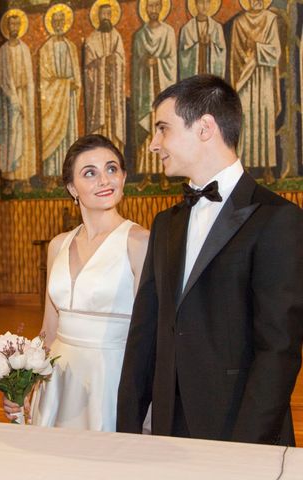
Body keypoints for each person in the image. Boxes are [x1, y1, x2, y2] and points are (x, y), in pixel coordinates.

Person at [117, 74, 303, 445]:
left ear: (204, 127)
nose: (154, 144)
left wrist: (242, 449)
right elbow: (145, 334)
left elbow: (278, 349)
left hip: (239, 426)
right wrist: (127, 430)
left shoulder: (278, 218)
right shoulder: (166, 223)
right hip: (170, 427)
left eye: (163, 129)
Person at [4, 134, 149, 430]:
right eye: (90, 173)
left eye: (112, 169)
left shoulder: (140, 242)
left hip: (110, 378)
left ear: (123, 177)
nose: (104, 180)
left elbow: (149, 335)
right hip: (58, 377)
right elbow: (48, 329)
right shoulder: (58, 245)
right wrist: (23, 385)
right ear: (72, 188)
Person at [230, 0, 281, 185]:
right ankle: (246, 170)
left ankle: (268, 169)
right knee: (247, 121)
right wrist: (246, 59)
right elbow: (235, 55)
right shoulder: (239, 23)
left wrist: (257, 48)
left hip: (264, 77)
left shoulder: (270, 20)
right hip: (245, 78)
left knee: (265, 119)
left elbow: (275, 52)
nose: (256, 1)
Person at [131, 0, 176, 191]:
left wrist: (156, 62)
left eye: (157, 6)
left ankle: (164, 175)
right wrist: (143, 64)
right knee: (147, 132)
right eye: (150, 6)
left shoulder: (168, 32)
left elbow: (172, 60)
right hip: (145, 91)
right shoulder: (140, 35)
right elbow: (135, 63)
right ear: (145, 9)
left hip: (161, 86)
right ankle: (147, 175)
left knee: (163, 132)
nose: (153, 10)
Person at [39, 4, 81, 177]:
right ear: (50, 23)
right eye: (55, 21)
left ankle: (68, 176)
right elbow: (45, 79)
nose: (58, 24)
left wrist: (73, 85)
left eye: (60, 21)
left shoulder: (71, 46)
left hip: (68, 100)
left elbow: (76, 75)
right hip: (53, 102)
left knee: (68, 136)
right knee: (53, 136)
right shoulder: (45, 48)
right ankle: (51, 177)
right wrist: (64, 84)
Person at [0, 9, 36, 181]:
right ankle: (10, 176)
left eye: (17, 24)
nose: (14, 27)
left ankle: (25, 176)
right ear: (7, 27)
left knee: (25, 135)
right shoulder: (2, 52)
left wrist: (28, 99)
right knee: (10, 135)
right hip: (8, 101)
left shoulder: (25, 49)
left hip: (24, 96)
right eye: (11, 24)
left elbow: (29, 78)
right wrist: (14, 99)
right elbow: (2, 79)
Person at [83, 0, 126, 152]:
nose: (106, 17)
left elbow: (121, 60)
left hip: (113, 91)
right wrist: (102, 63)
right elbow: (88, 67)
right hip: (98, 94)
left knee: (114, 125)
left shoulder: (116, 37)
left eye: (109, 14)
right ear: (98, 16)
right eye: (103, 14)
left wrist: (114, 61)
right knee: (99, 128)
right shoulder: (91, 39)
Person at [178, 0, 226, 79]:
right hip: (194, 76)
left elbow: (222, 52)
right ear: (195, 4)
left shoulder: (217, 27)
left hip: (210, 76)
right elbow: (183, 55)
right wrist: (198, 45)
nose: (204, 6)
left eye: (207, 2)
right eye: (201, 2)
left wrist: (210, 44)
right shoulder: (187, 28)